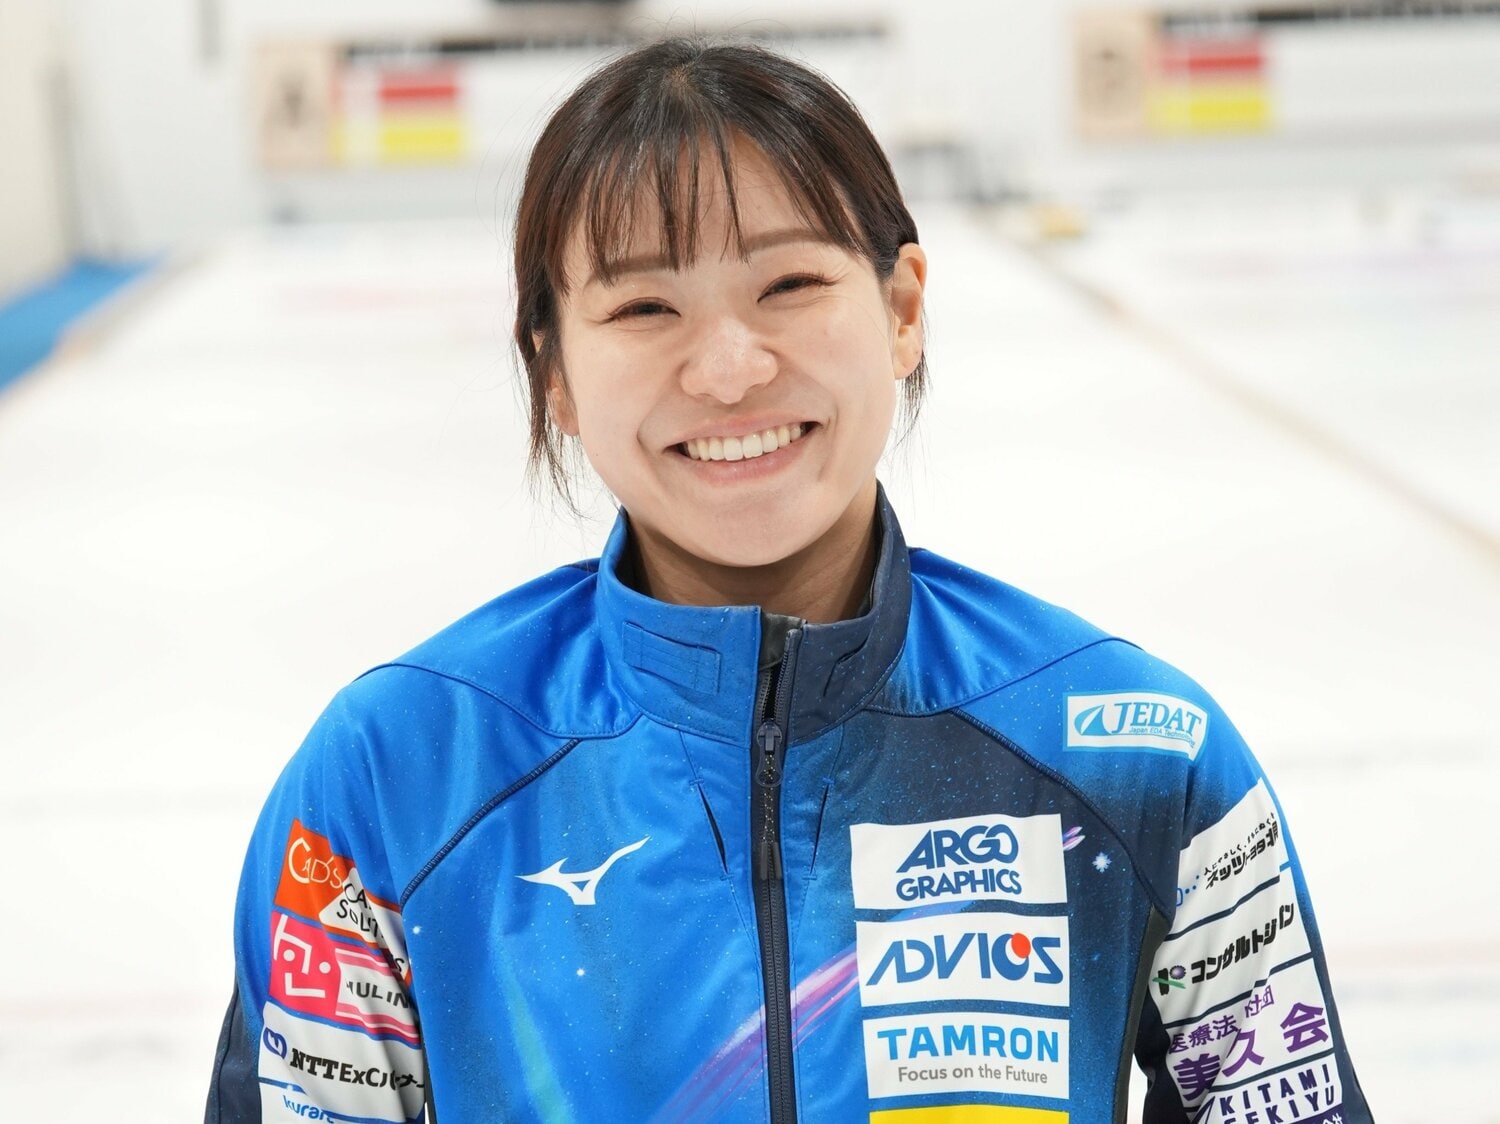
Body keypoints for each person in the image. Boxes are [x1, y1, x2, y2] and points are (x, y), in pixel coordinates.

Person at [205, 36, 1372, 1124]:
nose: (729, 369)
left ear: (902, 309)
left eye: (790, 286)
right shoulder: (397, 776)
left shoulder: (1134, 754)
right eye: (645, 306)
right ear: (553, 371)